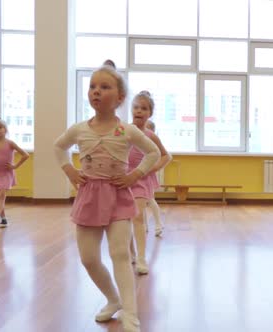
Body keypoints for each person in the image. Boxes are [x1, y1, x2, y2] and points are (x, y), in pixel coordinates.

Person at [54, 65, 160, 331]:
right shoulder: (79, 129)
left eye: (104, 87)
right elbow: (59, 147)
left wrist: (135, 175)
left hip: (118, 196)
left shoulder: (127, 131)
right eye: (92, 87)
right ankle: (113, 300)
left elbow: (153, 154)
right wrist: (68, 169)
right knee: (89, 258)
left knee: (120, 254)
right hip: (89, 197)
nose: (96, 92)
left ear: (120, 97)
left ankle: (130, 313)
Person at [128, 91, 172, 275]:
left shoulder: (150, 135)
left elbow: (166, 156)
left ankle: (141, 258)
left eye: (144, 108)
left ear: (149, 113)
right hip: (122, 178)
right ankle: (130, 253)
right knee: (124, 220)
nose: (139, 111)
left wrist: (151, 169)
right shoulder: (123, 129)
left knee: (138, 216)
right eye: (136, 107)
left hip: (140, 180)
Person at [0, 119, 29, 231]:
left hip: (7, 173)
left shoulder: (10, 143)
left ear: (5, 130)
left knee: (1, 196)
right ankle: (3, 220)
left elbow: (25, 155)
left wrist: (15, 166)